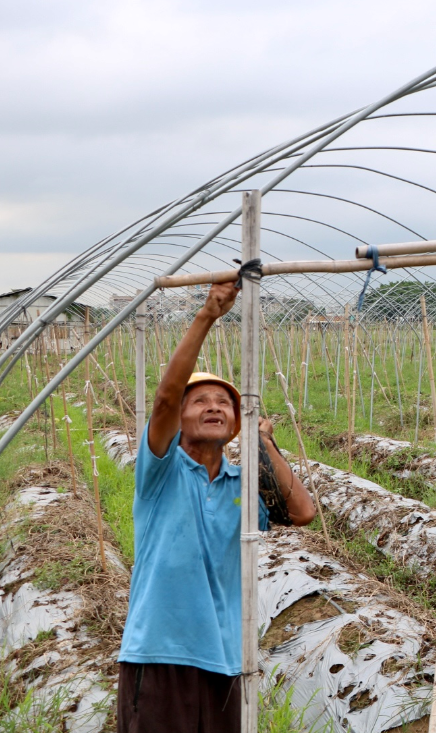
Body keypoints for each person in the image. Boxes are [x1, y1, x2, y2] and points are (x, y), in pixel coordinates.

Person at [117, 280, 315, 733]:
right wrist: (207, 314)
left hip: (226, 659)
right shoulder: (161, 472)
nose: (214, 407)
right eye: (200, 401)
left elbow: (302, 512)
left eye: (225, 403)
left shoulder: (242, 488)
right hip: (159, 654)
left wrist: (263, 443)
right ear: (179, 417)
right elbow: (165, 396)